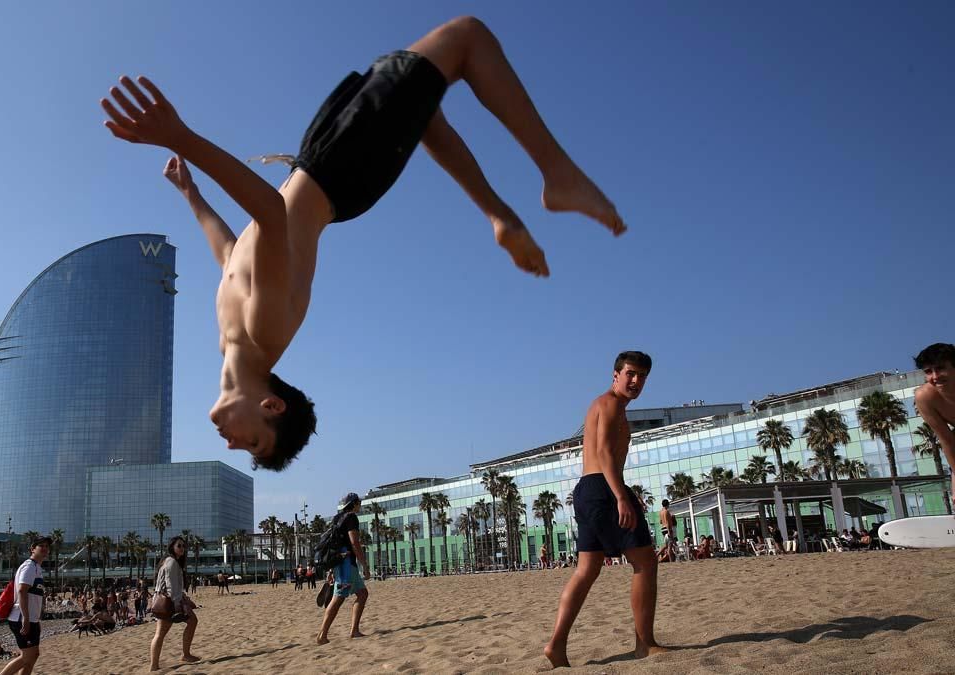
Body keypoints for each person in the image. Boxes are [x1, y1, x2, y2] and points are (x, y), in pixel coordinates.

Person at [101, 16, 627, 472]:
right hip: (342, 168)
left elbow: (231, 254)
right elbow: (268, 211)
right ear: (271, 406)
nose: (235, 444)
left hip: (327, 162)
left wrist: (191, 194)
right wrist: (181, 136)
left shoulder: (233, 338)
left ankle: (500, 216)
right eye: (254, 442)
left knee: (424, 111)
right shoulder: (265, 331)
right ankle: (553, 176)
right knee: (467, 38)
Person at [544, 352, 666, 668]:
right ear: (615, 374)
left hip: (588, 490)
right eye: (631, 374)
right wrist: (621, 497)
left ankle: (556, 645)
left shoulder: (604, 405)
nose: (636, 381)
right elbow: (604, 452)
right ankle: (645, 644)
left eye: (643, 376)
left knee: (587, 569)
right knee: (645, 563)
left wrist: (621, 493)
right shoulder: (610, 403)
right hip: (602, 489)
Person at [317, 492, 371, 645]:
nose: (360, 504)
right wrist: (365, 565)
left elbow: (333, 544)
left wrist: (330, 569)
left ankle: (354, 630)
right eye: (359, 502)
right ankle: (322, 635)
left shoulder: (337, 518)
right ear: (354, 503)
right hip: (346, 564)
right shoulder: (351, 517)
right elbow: (354, 542)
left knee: (362, 593)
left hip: (342, 563)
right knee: (338, 598)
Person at [0, 535, 50, 675]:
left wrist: (35, 619)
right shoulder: (29, 566)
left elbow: (33, 597)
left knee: (33, 655)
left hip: (31, 619)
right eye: (41, 546)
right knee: (27, 656)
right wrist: (26, 618)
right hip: (20, 618)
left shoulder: (37, 568)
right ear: (32, 549)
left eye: (46, 546)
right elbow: (22, 591)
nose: (45, 548)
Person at [913, 343, 955, 511]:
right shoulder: (925, 397)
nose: (935, 376)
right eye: (928, 372)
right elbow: (947, 441)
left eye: (940, 368)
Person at [150, 536, 201, 669]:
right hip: (169, 602)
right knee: (161, 633)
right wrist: (178, 604)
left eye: (183, 546)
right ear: (172, 547)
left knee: (190, 622)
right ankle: (155, 665)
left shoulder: (170, 561)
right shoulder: (171, 562)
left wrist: (183, 598)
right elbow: (171, 586)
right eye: (179, 546)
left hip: (169, 599)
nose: (182, 548)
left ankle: (157, 664)